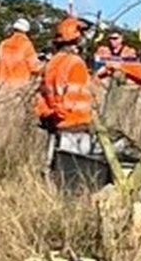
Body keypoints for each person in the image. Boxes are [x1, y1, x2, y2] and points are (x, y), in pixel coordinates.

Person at [35, 17, 100, 191]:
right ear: (76, 38)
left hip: (55, 124)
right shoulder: (76, 63)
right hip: (75, 124)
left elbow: (41, 95)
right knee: (75, 178)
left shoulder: (51, 63)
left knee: (53, 170)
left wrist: (49, 115)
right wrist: (61, 115)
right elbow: (71, 99)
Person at [0, 18, 40, 86]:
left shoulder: (3, 44)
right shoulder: (27, 44)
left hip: (2, 85)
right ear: (26, 31)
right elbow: (34, 66)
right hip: (19, 85)